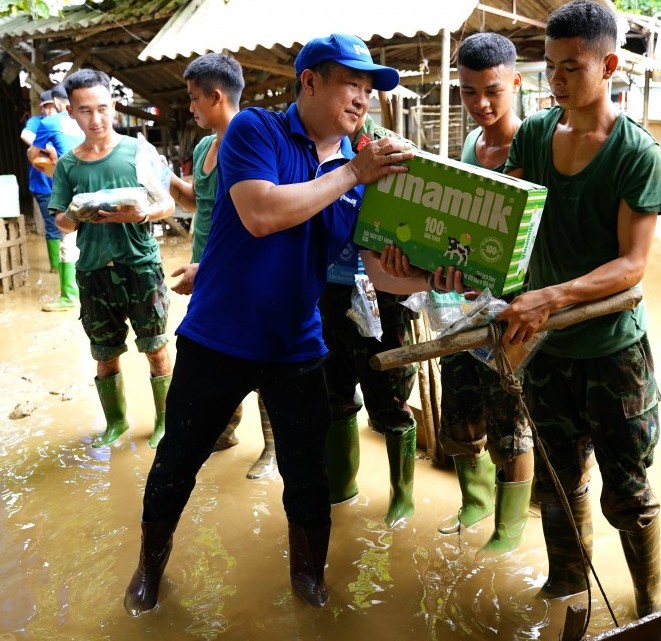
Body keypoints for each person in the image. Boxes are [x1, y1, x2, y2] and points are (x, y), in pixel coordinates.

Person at [123, 32, 448, 615]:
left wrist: (432, 281)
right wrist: (353, 173)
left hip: (297, 344)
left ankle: (308, 580)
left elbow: (379, 271)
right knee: (179, 460)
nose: (362, 100)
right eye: (353, 83)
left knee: (308, 475)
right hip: (218, 337)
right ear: (310, 82)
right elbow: (260, 213)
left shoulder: (359, 175)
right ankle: (148, 570)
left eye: (369, 90)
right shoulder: (257, 130)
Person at [497, 0, 661, 618]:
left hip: (612, 351)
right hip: (548, 350)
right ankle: (568, 581)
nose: (558, 79)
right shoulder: (538, 135)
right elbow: (507, 219)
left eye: (571, 66)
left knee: (627, 492)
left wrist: (552, 295)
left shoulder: (635, 153)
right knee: (556, 479)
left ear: (609, 64)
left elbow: (632, 265)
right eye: (550, 66)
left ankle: (650, 602)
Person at [433, 31, 534, 556]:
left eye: (493, 91)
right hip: (465, 302)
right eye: (469, 93)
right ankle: (473, 501)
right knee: (461, 406)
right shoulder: (474, 144)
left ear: (516, 81)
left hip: (514, 308)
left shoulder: (533, 143)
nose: (481, 104)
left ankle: (510, 527)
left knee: (511, 420)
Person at [49, 69, 174, 449]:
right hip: (92, 273)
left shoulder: (139, 151)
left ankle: (164, 424)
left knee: (156, 347)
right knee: (104, 354)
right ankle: (116, 423)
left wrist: (141, 214)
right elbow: (61, 223)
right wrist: (76, 212)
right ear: (72, 112)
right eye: (85, 111)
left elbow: (166, 205)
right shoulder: (68, 165)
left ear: (114, 106)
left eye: (103, 108)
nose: (96, 119)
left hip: (139, 266)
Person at [166, 52, 277, 479]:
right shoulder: (202, 146)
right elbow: (199, 202)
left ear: (216, 96)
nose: (190, 106)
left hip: (239, 270)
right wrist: (167, 181)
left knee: (258, 357)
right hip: (207, 270)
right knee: (215, 350)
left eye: (194, 98)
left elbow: (260, 216)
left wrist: (211, 269)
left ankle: (272, 448)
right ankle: (225, 431)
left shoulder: (250, 142)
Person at [320, 113, 420, 528]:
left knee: (391, 396)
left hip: (383, 292)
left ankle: (402, 495)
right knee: (333, 393)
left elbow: (417, 222)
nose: (354, 100)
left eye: (361, 90)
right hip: (325, 289)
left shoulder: (390, 147)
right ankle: (342, 485)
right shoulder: (312, 146)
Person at [28, 84, 86, 312]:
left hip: (69, 186)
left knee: (67, 238)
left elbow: (32, 153)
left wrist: (47, 154)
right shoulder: (87, 120)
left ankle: (70, 296)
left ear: (60, 104)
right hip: (93, 181)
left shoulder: (50, 122)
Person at [20, 89, 57, 270]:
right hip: (43, 185)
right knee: (52, 226)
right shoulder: (36, 122)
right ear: (41, 109)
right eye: (46, 107)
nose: (49, 111)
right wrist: (49, 147)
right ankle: (56, 268)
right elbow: (25, 135)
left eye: (52, 106)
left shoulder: (63, 124)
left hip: (63, 184)